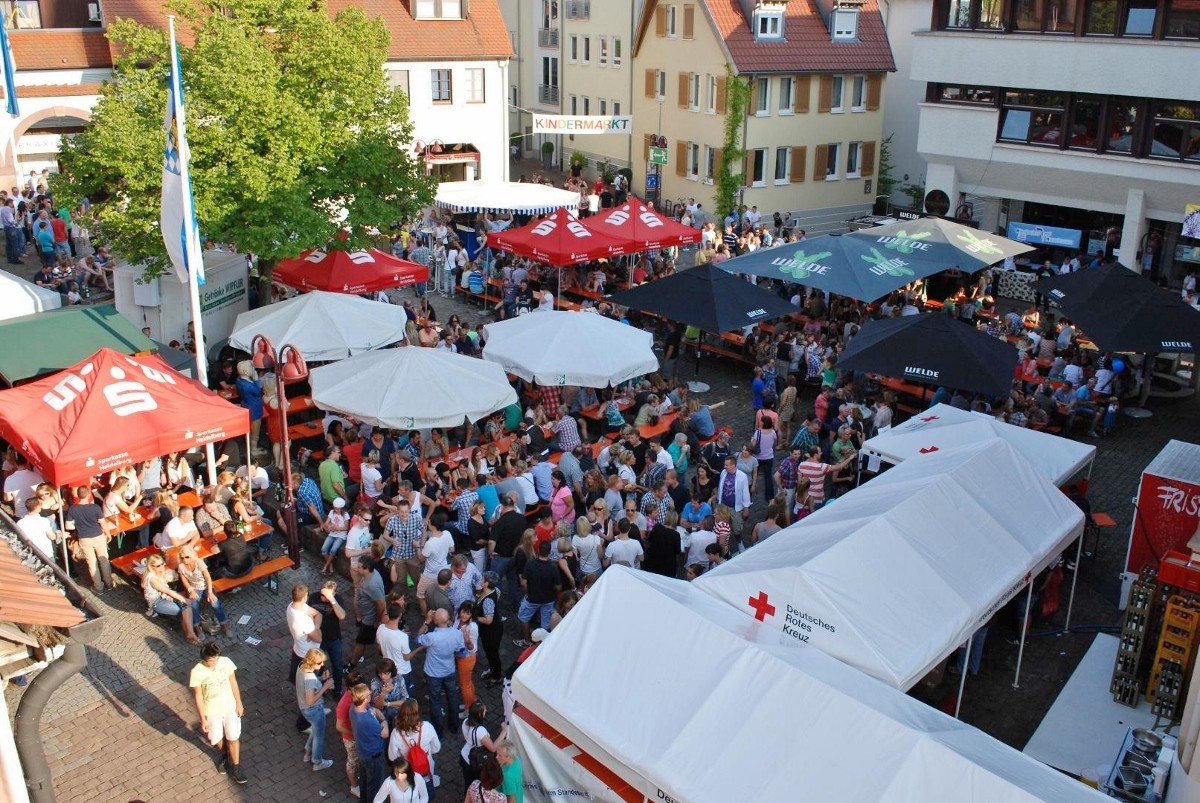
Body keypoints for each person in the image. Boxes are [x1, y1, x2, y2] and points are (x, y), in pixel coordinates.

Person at [189, 641, 247, 783]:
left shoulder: (225, 662)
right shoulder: (197, 671)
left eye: (216, 658)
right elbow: (198, 696)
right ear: (204, 659)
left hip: (229, 707)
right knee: (216, 738)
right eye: (211, 660)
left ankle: (236, 766)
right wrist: (203, 718)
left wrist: (239, 702)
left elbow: (233, 682)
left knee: (233, 737)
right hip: (212, 710)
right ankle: (224, 754)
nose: (215, 662)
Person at [416, 607, 466, 738]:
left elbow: (418, 638)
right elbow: (461, 651)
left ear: (435, 622)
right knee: (453, 697)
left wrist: (426, 622)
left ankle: (438, 731)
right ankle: (454, 726)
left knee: (435, 701)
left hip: (433, 673)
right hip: (449, 670)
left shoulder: (432, 637)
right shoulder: (457, 633)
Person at [143, 553, 201, 643]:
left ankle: (190, 633)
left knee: (185, 606)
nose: (162, 566)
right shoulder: (152, 578)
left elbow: (170, 584)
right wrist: (184, 599)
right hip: (157, 602)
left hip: (165, 596)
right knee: (185, 608)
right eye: (158, 565)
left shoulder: (159, 572)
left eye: (162, 563)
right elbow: (168, 591)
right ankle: (191, 634)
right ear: (152, 567)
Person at [388, 698, 441, 795]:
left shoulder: (396, 733)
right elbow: (436, 747)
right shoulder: (428, 727)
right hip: (426, 766)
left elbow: (392, 757)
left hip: (407, 769)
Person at [297, 648, 337, 772]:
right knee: (319, 735)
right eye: (319, 663)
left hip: (305, 708)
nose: (322, 665)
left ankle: (308, 751)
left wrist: (320, 679)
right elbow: (310, 700)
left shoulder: (302, 666)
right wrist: (325, 686)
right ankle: (317, 761)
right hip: (313, 709)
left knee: (315, 729)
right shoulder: (310, 679)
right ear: (311, 662)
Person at [177, 546, 230, 637]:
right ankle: (197, 627)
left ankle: (224, 625)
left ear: (192, 556)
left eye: (187, 557)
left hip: (206, 586)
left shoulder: (199, 562)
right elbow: (184, 580)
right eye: (182, 557)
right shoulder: (181, 566)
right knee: (194, 605)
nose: (184, 559)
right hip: (194, 588)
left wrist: (209, 592)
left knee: (215, 603)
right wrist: (190, 590)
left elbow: (208, 577)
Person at [68, 486, 113, 592]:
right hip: (98, 536)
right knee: (104, 560)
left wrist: (78, 526)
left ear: (78, 495)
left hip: (84, 538)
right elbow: (102, 523)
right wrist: (108, 534)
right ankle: (109, 583)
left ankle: (98, 587)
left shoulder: (73, 508)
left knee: (92, 563)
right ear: (89, 494)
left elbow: (68, 526)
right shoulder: (95, 507)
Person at [350, 682, 391, 800]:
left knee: (364, 781)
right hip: (373, 756)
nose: (371, 694)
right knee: (375, 786)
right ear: (364, 699)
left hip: (362, 752)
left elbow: (370, 709)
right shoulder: (367, 720)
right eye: (368, 694)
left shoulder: (353, 708)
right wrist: (383, 720)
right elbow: (385, 733)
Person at [516, 541, 560, 645]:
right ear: (549, 553)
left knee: (524, 618)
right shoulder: (553, 567)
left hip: (532, 598)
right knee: (546, 623)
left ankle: (527, 641)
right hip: (548, 599)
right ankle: (543, 642)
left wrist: (527, 592)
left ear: (538, 551)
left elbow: (523, 582)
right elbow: (558, 586)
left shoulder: (530, 564)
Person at [460, 700, 507, 789]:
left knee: (468, 783)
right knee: (476, 785)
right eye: (484, 711)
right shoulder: (480, 731)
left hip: (464, 756)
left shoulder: (465, 721)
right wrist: (504, 731)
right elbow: (493, 748)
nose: (486, 712)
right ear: (479, 714)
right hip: (474, 761)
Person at [353, 556, 388, 666]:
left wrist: (376, 621)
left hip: (370, 618)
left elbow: (381, 604)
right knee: (376, 638)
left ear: (367, 569)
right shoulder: (371, 574)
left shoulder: (372, 585)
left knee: (360, 641)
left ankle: (352, 663)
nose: (356, 569)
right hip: (367, 615)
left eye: (359, 567)